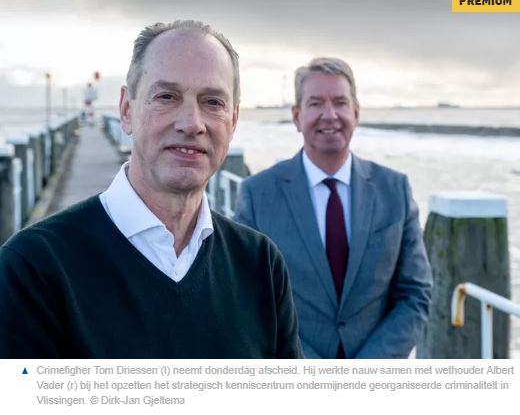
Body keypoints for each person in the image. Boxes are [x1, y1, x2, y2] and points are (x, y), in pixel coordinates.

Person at [0, 20, 302, 359]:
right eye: (167, 97)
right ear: (126, 110)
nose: (191, 123)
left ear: (233, 122)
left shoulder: (260, 265)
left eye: (213, 102)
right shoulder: (34, 267)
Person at [234, 57, 433, 359]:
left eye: (340, 102)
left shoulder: (395, 190)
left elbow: (415, 294)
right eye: (315, 103)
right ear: (297, 116)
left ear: (356, 113)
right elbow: (248, 298)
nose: (329, 115)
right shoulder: (257, 194)